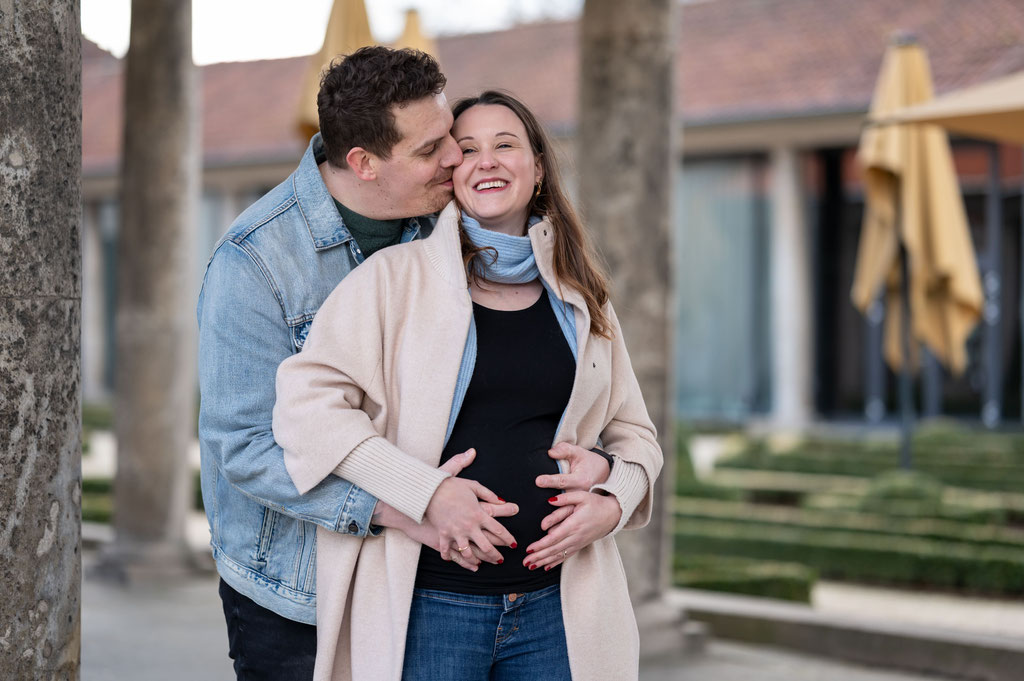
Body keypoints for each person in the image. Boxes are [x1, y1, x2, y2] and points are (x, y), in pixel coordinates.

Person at [197, 48, 611, 680]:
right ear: (364, 164)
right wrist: (414, 504)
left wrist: (610, 478)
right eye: (431, 150)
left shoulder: (447, 224)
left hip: (420, 588)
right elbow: (247, 447)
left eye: (450, 136)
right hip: (296, 589)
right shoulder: (255, 263)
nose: (455, 159)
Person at [273, 90, 663, 681]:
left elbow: (636, 435)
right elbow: (307, 410)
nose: (486, 160)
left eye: (505, 145)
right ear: (452, 176)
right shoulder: (390, 281)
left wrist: (613, 496)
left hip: (560, 608)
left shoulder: (581, 296)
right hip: (431, 605)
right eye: (468, 149)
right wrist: (423, 491)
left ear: (537, 170)